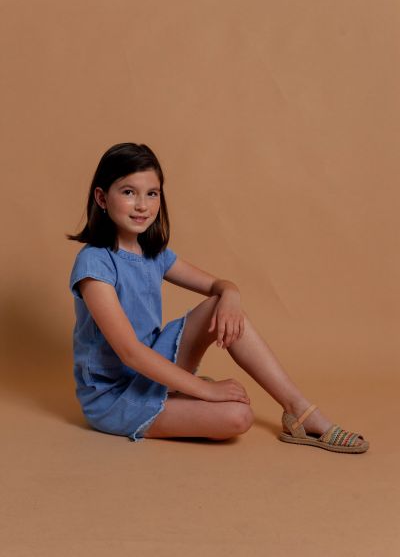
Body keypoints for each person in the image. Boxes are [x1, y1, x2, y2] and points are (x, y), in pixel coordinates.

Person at [67, 142, 369, 453]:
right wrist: (205, 391)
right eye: (129, 192)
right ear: (102, 198)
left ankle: (299, 409)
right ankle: (182, 393)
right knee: (238, 417)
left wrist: (231, 295)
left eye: (152, 193)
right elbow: (130, 353)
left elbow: (220, 286)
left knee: (219, 307)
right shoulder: (94, 264)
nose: (142, 205)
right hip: (114, 397)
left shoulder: (154, 253)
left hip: (152, 370)